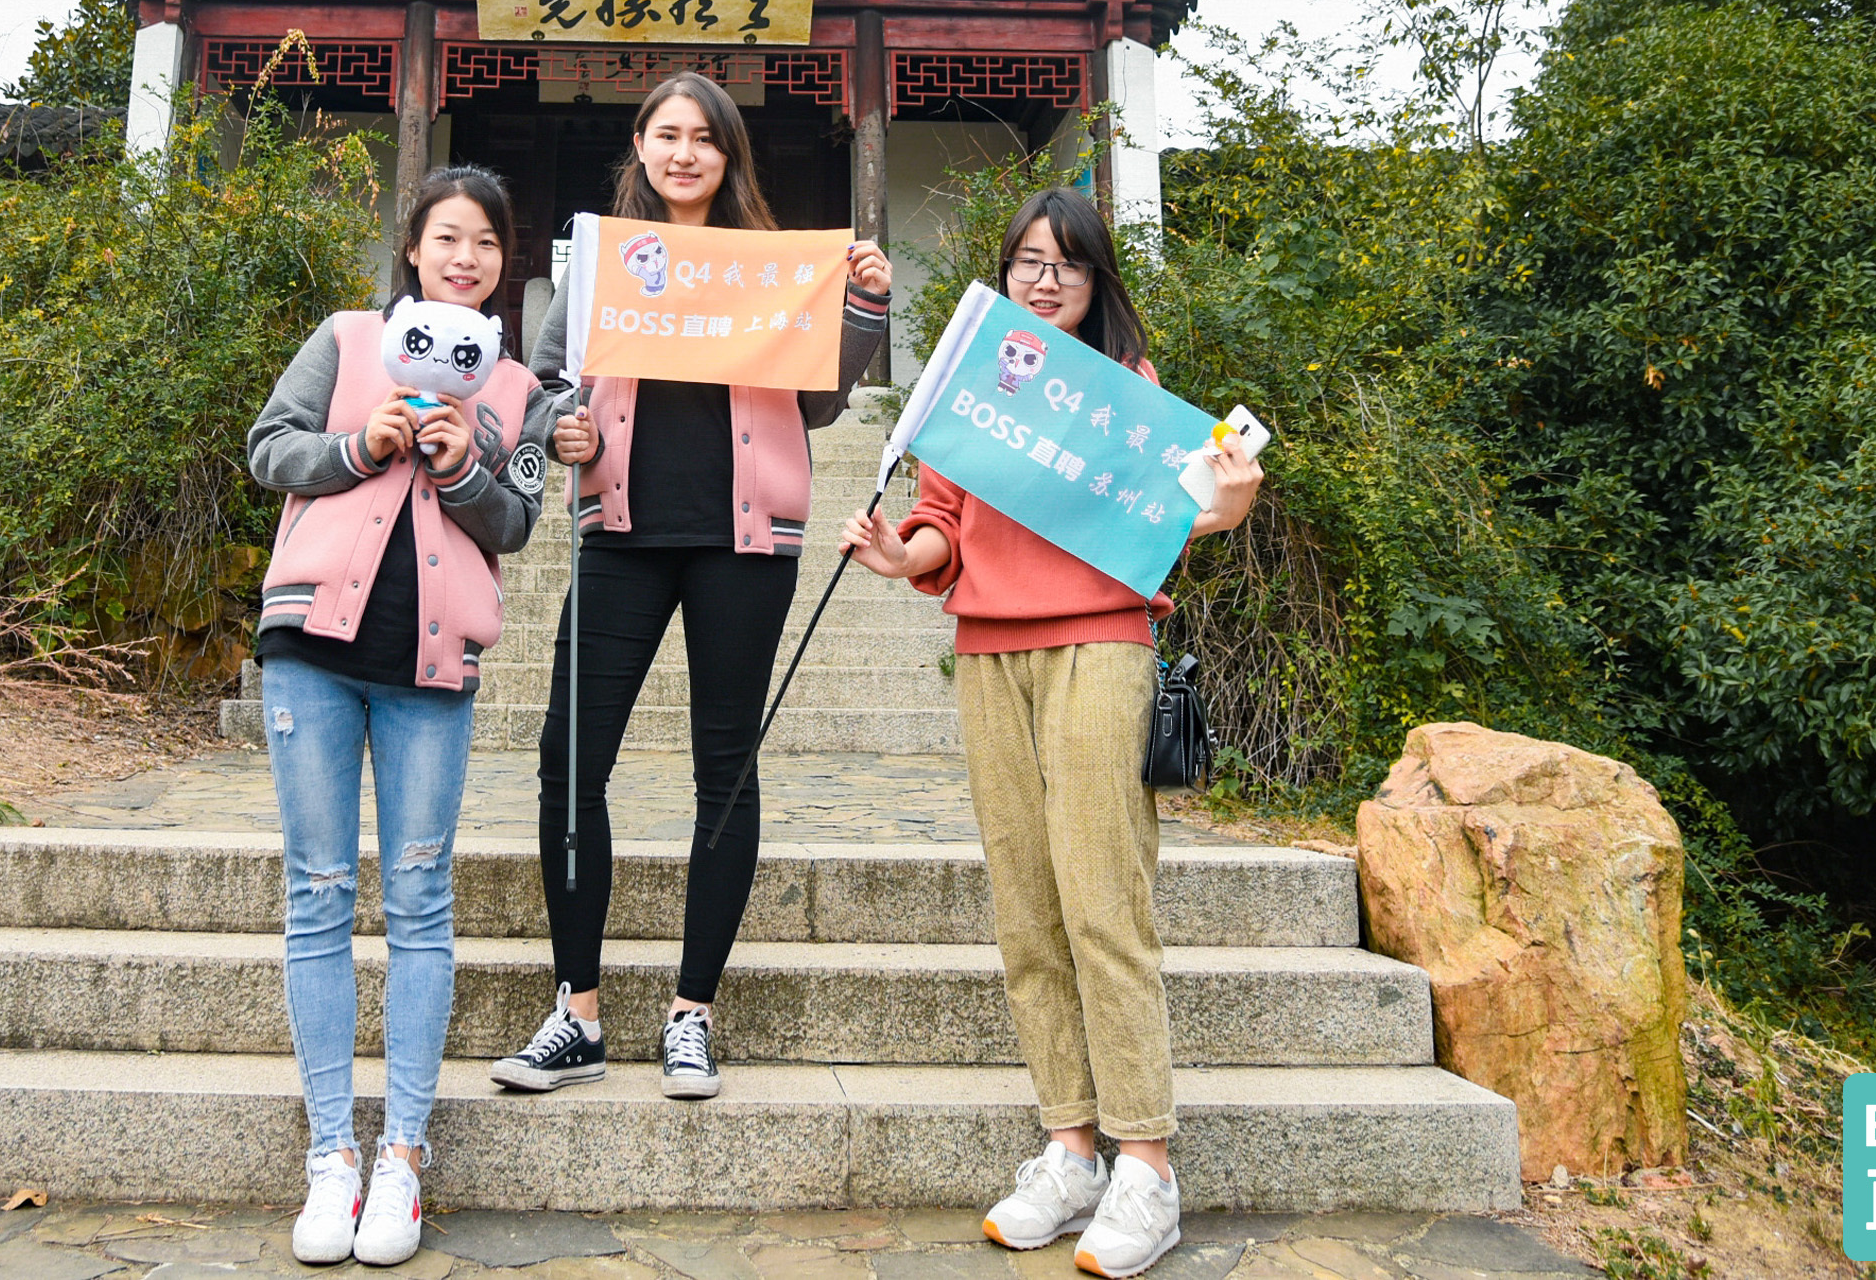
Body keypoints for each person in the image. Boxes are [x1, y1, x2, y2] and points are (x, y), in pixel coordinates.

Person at [840, 185, 1263, 1280]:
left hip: (1100, 643)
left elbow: (1178, 513)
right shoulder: (973, 381)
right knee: (1026, 907)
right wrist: (900, 554)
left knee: (1101, 898)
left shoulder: (1130, 390)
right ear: (1005, 272)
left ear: (1094, 279)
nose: (1044, 279)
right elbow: (942, 525)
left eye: (1066, 263)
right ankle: (1069, 1148)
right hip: (989, 650)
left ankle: (1147, 1166)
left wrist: (1226, 505)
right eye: (1027, 259)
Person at [486, 71, 893, 1101]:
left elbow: (822, 402)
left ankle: (691, 1013)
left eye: (704, 138)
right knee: (570, 762)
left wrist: (861, 307)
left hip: (743, 541)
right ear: (639, 144)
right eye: (667, 134)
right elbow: (546, 383)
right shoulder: (604, 261)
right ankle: (577, 1012)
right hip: (621, 531)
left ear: (728, 156)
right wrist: (559, 426)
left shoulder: (771, 265)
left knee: (726, 769)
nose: (684, 153)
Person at [246, 165, 559, 1267]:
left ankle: (404, 1155)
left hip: (432, 669)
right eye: (447, 239)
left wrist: (465, 467)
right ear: (413, 249)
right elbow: (268, 448)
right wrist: (357, 448)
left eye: (486, 243)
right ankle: (331, 1152)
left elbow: (517, 520)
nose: (465, 258)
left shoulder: (515, 388)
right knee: (319, 893)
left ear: (504, 263)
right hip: (310, 655)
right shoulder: (346, 340)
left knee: (421, 899)